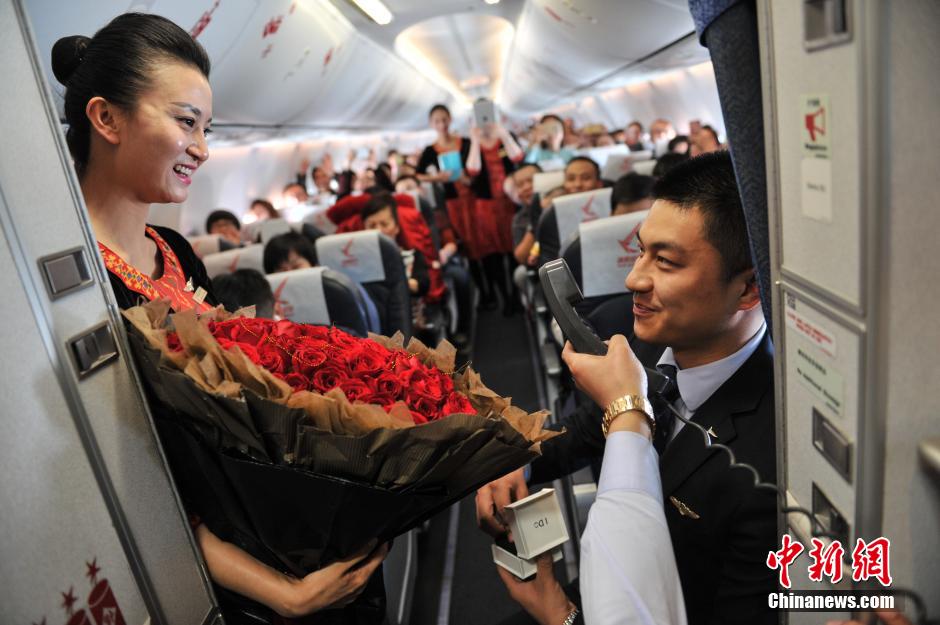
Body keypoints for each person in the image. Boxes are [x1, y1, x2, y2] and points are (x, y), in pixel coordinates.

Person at [50, 12, 387, 619]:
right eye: (187, 123)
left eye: (207, 127)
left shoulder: (176, 253)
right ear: (106, 119)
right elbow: (152, 483)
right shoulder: (82, 291)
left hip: (266, 519)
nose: (203, 149)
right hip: (224, 578)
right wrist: (285, 595)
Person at [478, 152, 776, 625]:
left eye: (666, 262)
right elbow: (586, 428)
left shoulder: (770, 461)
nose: (634, 278)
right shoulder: (630, 331)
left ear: (747, 289)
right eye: (641, 251)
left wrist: (561, 613)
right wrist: (518, 458)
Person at [466, 116, 526, 313]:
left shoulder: (506, 137)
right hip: (486, 207)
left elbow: (518, 158)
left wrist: (503, 133)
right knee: (493, 253)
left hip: (510, 202)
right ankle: (504, 297)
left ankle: (517, 296)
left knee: (513, 249)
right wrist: (475, 139)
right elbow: (473, 170)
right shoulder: (470, 143)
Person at [535, 156, 604, 263]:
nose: (577, 184)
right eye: (571, 179)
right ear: (564, 184)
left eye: (586, 178)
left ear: (599, 184)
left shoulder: (614, 206)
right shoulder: (552, 213)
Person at [360, 194, 430, 298]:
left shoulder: (413, 256)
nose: (378, 231)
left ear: (396, 227)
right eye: (371, 225)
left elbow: (421, 285)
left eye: (384, 224)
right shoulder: (359, 262)